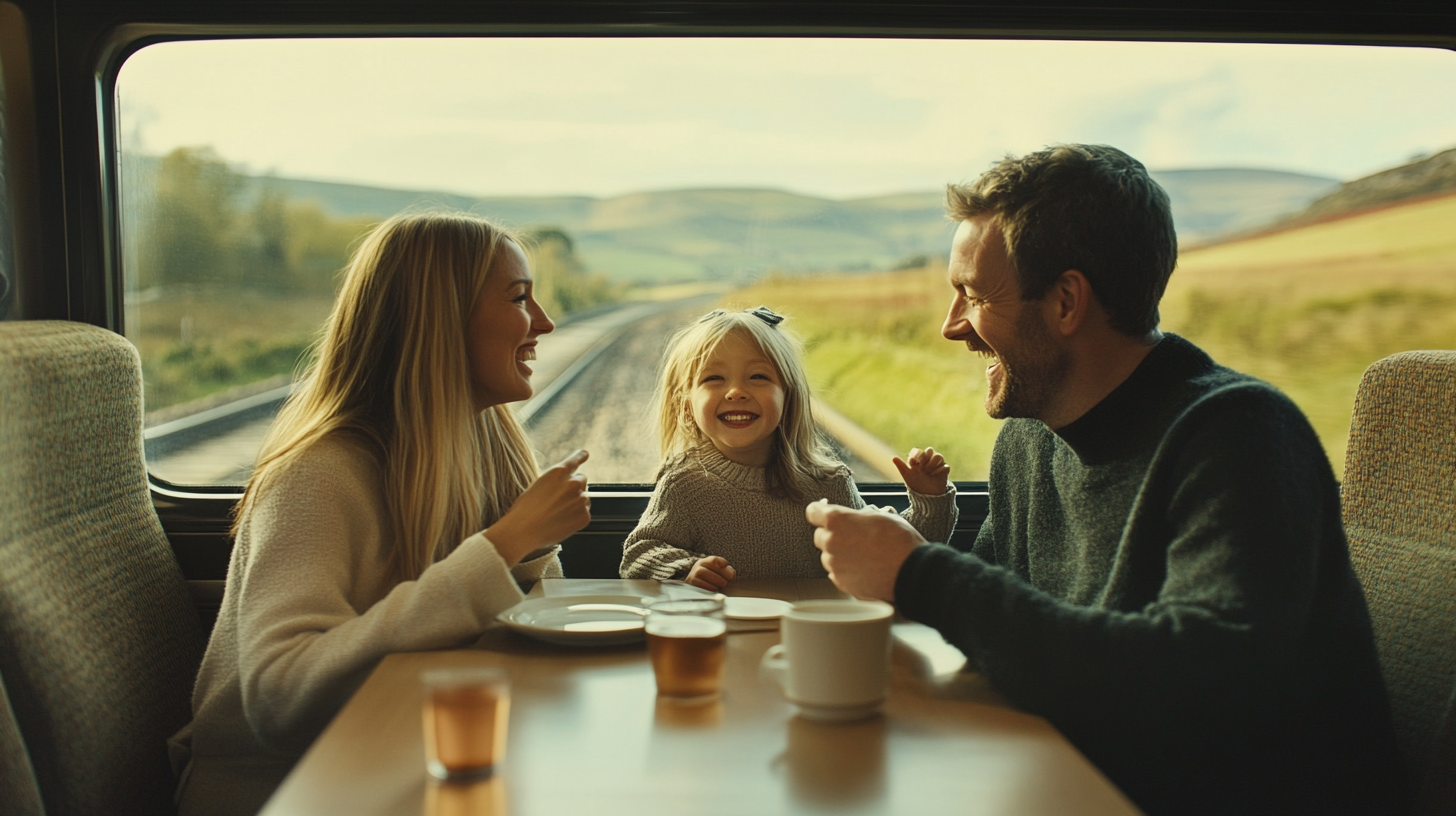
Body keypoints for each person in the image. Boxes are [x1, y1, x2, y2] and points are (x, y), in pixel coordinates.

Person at [806, 145, 1407, 815]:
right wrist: (902, 575)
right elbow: (997, 622)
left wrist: (919, 575)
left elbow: (1198, 691)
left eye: (973, 295)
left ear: (1066, 301)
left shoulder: (1239, 434)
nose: (952, 327)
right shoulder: (1028, 442)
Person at [171, 212, 592, 816]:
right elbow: (279, 699)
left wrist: (525, 553)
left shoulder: (487, 442)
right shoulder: (318, 473)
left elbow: (515, 634)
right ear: (440, 321)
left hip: (401, 758)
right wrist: (503, 545)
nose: (545, 323)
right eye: (521, 298)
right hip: (283, 789)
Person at [620, 306, 957, 590]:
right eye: (713, 379)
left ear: (789, 395)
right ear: (686, 403)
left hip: (817, 636)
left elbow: (895, 554)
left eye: (758, 377)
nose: (736, 391)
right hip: (726, 640)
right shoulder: (686, 485)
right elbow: (638, 555)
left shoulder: (829, 484)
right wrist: (685, 570)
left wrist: (930, 504)